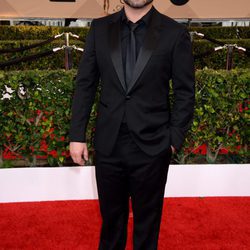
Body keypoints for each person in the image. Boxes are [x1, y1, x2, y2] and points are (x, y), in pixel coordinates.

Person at [69, 0, 195, 249]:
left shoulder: (174, 33)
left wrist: (172, 141)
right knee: (111, 223)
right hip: (109, 144)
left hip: (153, 146)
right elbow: (86, 84)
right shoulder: (99, 28)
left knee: (147, 226)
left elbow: (185, 92)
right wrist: (77, 135)